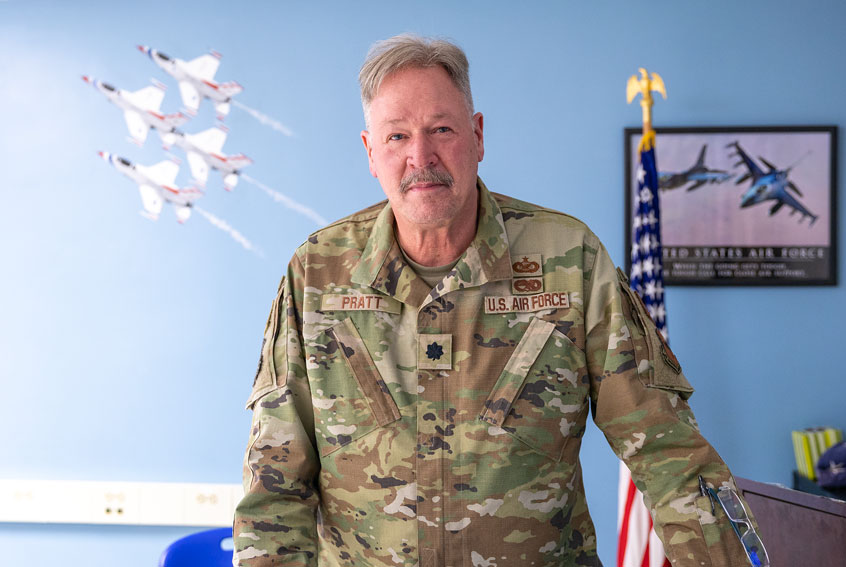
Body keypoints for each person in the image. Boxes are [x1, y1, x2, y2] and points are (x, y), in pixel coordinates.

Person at [233, 34, 761, 567]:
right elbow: (275, 491)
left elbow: (668, 453)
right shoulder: (317, 274)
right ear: (371, 153)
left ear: (478, 135)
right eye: (397, 136)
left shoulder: (569, 259)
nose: (421, 157)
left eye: (441, 129)